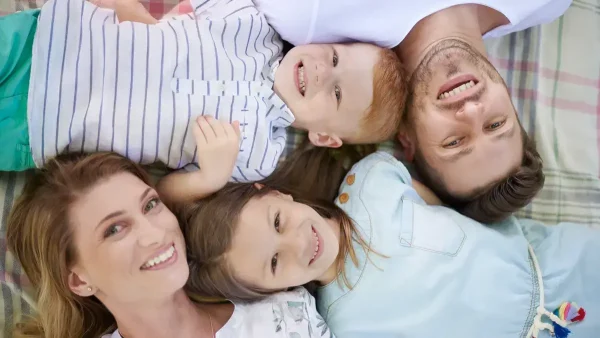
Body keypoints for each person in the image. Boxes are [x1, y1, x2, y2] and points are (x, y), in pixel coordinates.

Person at [0, 0, 406, 203]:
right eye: (334, 57)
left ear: (324, 136)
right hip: (51, 41)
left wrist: (208, 178)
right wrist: (147, 20)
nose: (322, 72)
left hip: (41, 125)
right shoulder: (252, 22)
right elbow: (176, 13)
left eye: (336, 93)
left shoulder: (257, 155)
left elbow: (166, 192)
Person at [177, 150, 599, 337]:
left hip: (558, 266)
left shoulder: (370, 181)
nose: (298, 244)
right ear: (269, 293)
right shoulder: (343, 325)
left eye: (278, 222)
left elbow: (452, 213)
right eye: (274, 263)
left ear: (273, 193)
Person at [243, 0, 571, 222]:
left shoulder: (305, 15)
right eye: (496, 123)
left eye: (454, 141)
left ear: (407, 140)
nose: (470, 111)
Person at [5, 151, 334, 338]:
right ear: (79, 279)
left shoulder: (287, 313)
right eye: (115, 229)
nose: (155, 233)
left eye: (150, 205)